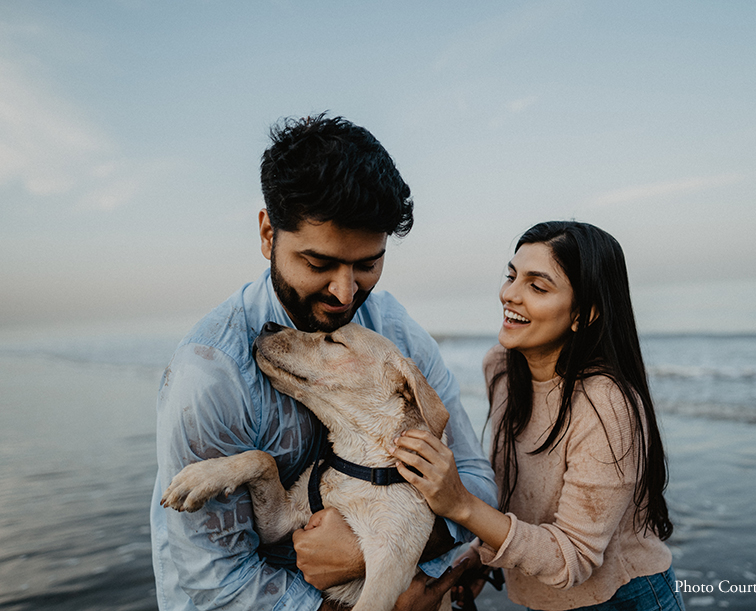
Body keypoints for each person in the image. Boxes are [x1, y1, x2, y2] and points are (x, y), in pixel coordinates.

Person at [150, 114, 497, 611]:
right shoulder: (210, 376)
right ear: (269, 234)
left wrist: (373, 556)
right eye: (319, 264)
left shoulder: (391, 332)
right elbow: (216, 584)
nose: (344, 293)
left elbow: (475, 482)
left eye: (367, 264)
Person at [393, 221, 685, 611]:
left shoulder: (607, 404)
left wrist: (461, 504)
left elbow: (573, 557)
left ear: (585, 313)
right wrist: (480, 555)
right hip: (541, 598)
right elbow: (523, 494)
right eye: (512, 276)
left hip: (622, 598)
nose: (509, 295)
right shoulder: (501, 368)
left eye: (537, 286)